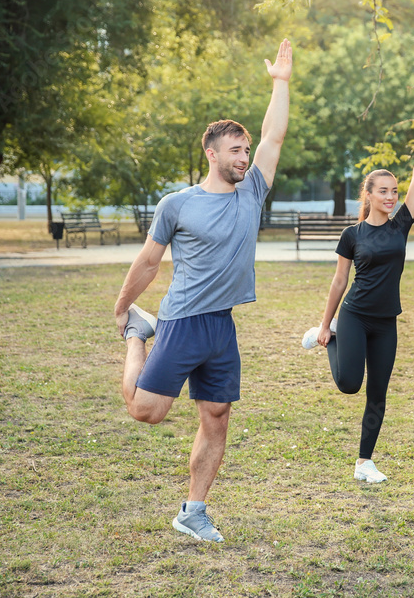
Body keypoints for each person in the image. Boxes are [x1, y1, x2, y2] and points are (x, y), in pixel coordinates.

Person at [113, 40, 293, 543]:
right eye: (235, 150)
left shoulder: (253, 189)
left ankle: (194, 511)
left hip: (222, 325)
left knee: (216, 416)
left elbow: (275, 137)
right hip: (182, 321)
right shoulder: (178, 204)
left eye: (245, 150)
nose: (244, 157)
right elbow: (150, 260)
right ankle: (136, 339)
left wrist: (280, 82)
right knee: (147, 412)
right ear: (211, 154)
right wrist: (126, 306)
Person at [301, 102, 414, 483]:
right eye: (384, 192)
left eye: (394, 191)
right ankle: (329, 340)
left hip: (386, 321)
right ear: (369, 194)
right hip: (355, 316)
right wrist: (327, 324)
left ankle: (364, 462)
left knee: (378, 392)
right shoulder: (353, 235)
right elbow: (339, 282)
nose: (392, 197)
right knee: (349, 385)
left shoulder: (401, 225)